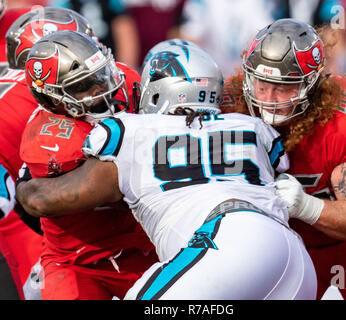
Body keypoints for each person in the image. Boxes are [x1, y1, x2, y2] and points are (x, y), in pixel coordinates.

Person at [17, 43, 317, 299]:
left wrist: (25, 184)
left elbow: (44, 200)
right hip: (297, 263)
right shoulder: (251, 126)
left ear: (157, 90)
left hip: (225, 246)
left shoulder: (130, 130)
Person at [223, 18, 346, 299]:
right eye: (261, 83)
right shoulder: (229, 103)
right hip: (272, 249)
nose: (268, 97)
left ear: (312, 83)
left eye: (283, 87)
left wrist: (306, 206)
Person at [13, 26, 157, 299]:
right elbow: (37, 202)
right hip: (80, 263)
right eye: (83, 85)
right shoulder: (53, 140)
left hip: (144, 250)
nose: (103, 86)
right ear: (53, 98)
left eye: (101, 74)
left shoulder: (129, 83)